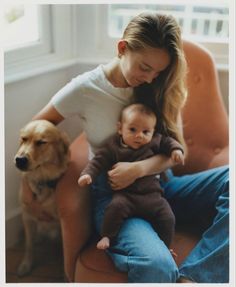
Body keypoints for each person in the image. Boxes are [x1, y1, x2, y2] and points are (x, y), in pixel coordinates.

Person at [31, 12, 229, 283]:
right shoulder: (86, 88)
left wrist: (139, 168)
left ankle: (194, 277)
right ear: (122, 48)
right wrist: (39, 182)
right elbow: (39, 126)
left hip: (162, 187)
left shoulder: (161, 86)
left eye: (158, 71)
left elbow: (176, 152)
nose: (150, 78)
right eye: (145, 67)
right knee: (157, 266)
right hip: (116, 198)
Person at [78, 103, 184, 251]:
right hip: (126, 196)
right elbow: (98, 161)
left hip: (152, 196)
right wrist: (87, 174)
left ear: (153, 132)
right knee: (115, 208)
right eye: (132, 129)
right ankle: (107, 236)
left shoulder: (156, 141)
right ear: (120, 128)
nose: (139, 135)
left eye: (146, 131)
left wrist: (176, 150)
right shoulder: (113, 146)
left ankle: (165, 247)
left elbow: (170, 142)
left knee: (168, 217)